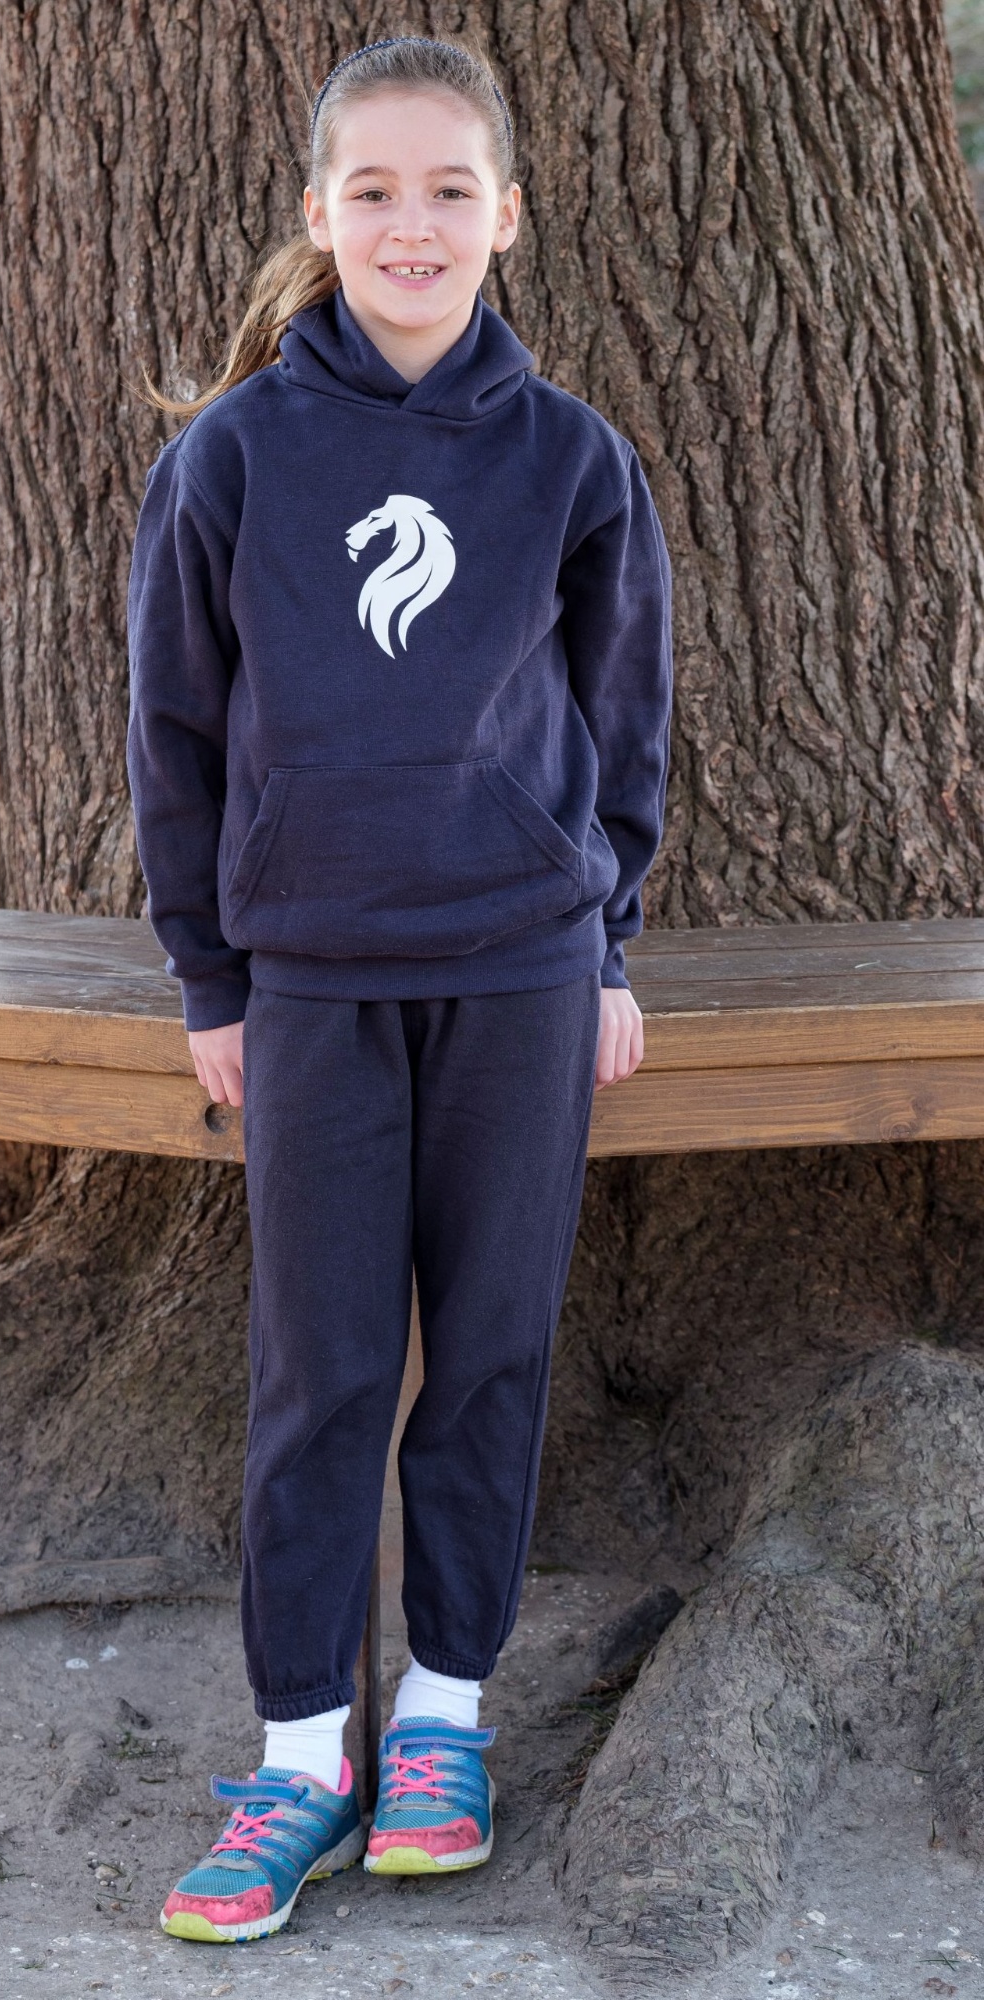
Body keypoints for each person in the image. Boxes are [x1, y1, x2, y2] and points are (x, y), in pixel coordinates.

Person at [126, 32, 673, 1946]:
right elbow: (176, 733)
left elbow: (620, 727)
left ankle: (442, 1713)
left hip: (520, 972)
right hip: (309, 982)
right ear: (317, 214)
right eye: (374, 189)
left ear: (506, 215)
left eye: (450, 189)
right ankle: (298, 1755)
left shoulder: (573, 459)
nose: (412, 223)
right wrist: (212, 975)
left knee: (495, 1351)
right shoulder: (236, 456)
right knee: (320, 1369)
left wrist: (598, 945)